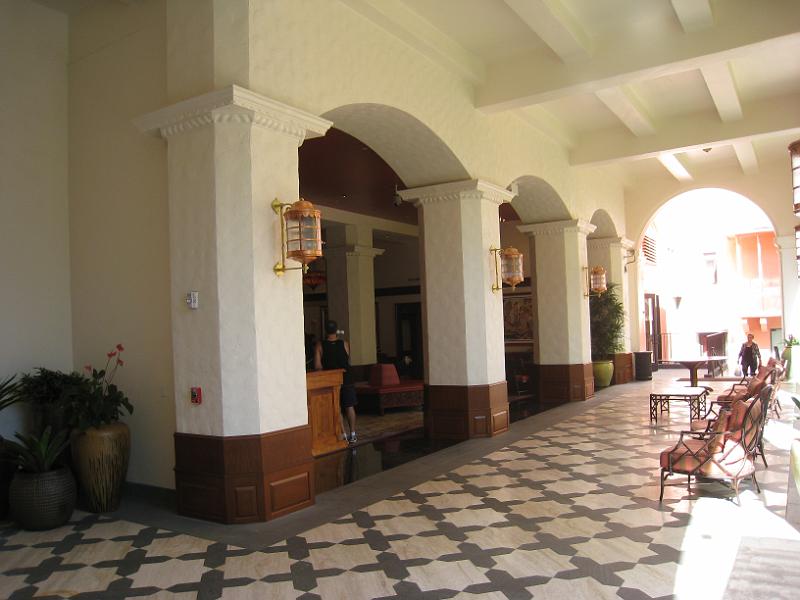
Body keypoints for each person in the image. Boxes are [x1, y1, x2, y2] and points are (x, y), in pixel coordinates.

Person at [314, 320, 357, 444]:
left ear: (325, 330)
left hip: (332, 380)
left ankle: (343, 434)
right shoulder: (344, 343)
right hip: (346, 377)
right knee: (349, 406)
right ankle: (353, 434)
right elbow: (347, 358)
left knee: (336, 407)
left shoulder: (320, 345)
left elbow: (317, 366)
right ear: (336, 330)